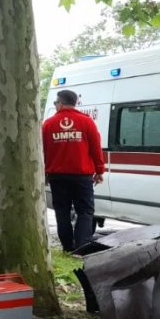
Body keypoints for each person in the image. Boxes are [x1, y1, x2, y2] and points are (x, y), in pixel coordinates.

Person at [42, 89, 105, 253]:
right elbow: (95, 148)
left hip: (57, 176)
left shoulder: (48, 124)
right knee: (85, 211)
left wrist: (45, 173)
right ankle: (81, 246)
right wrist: (99, 171)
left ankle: (67, 246)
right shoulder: (86, 122)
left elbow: (43, 151)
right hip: (82, 176)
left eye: (56, 103)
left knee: (62, 212)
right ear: (75, 103)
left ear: (61, 103)